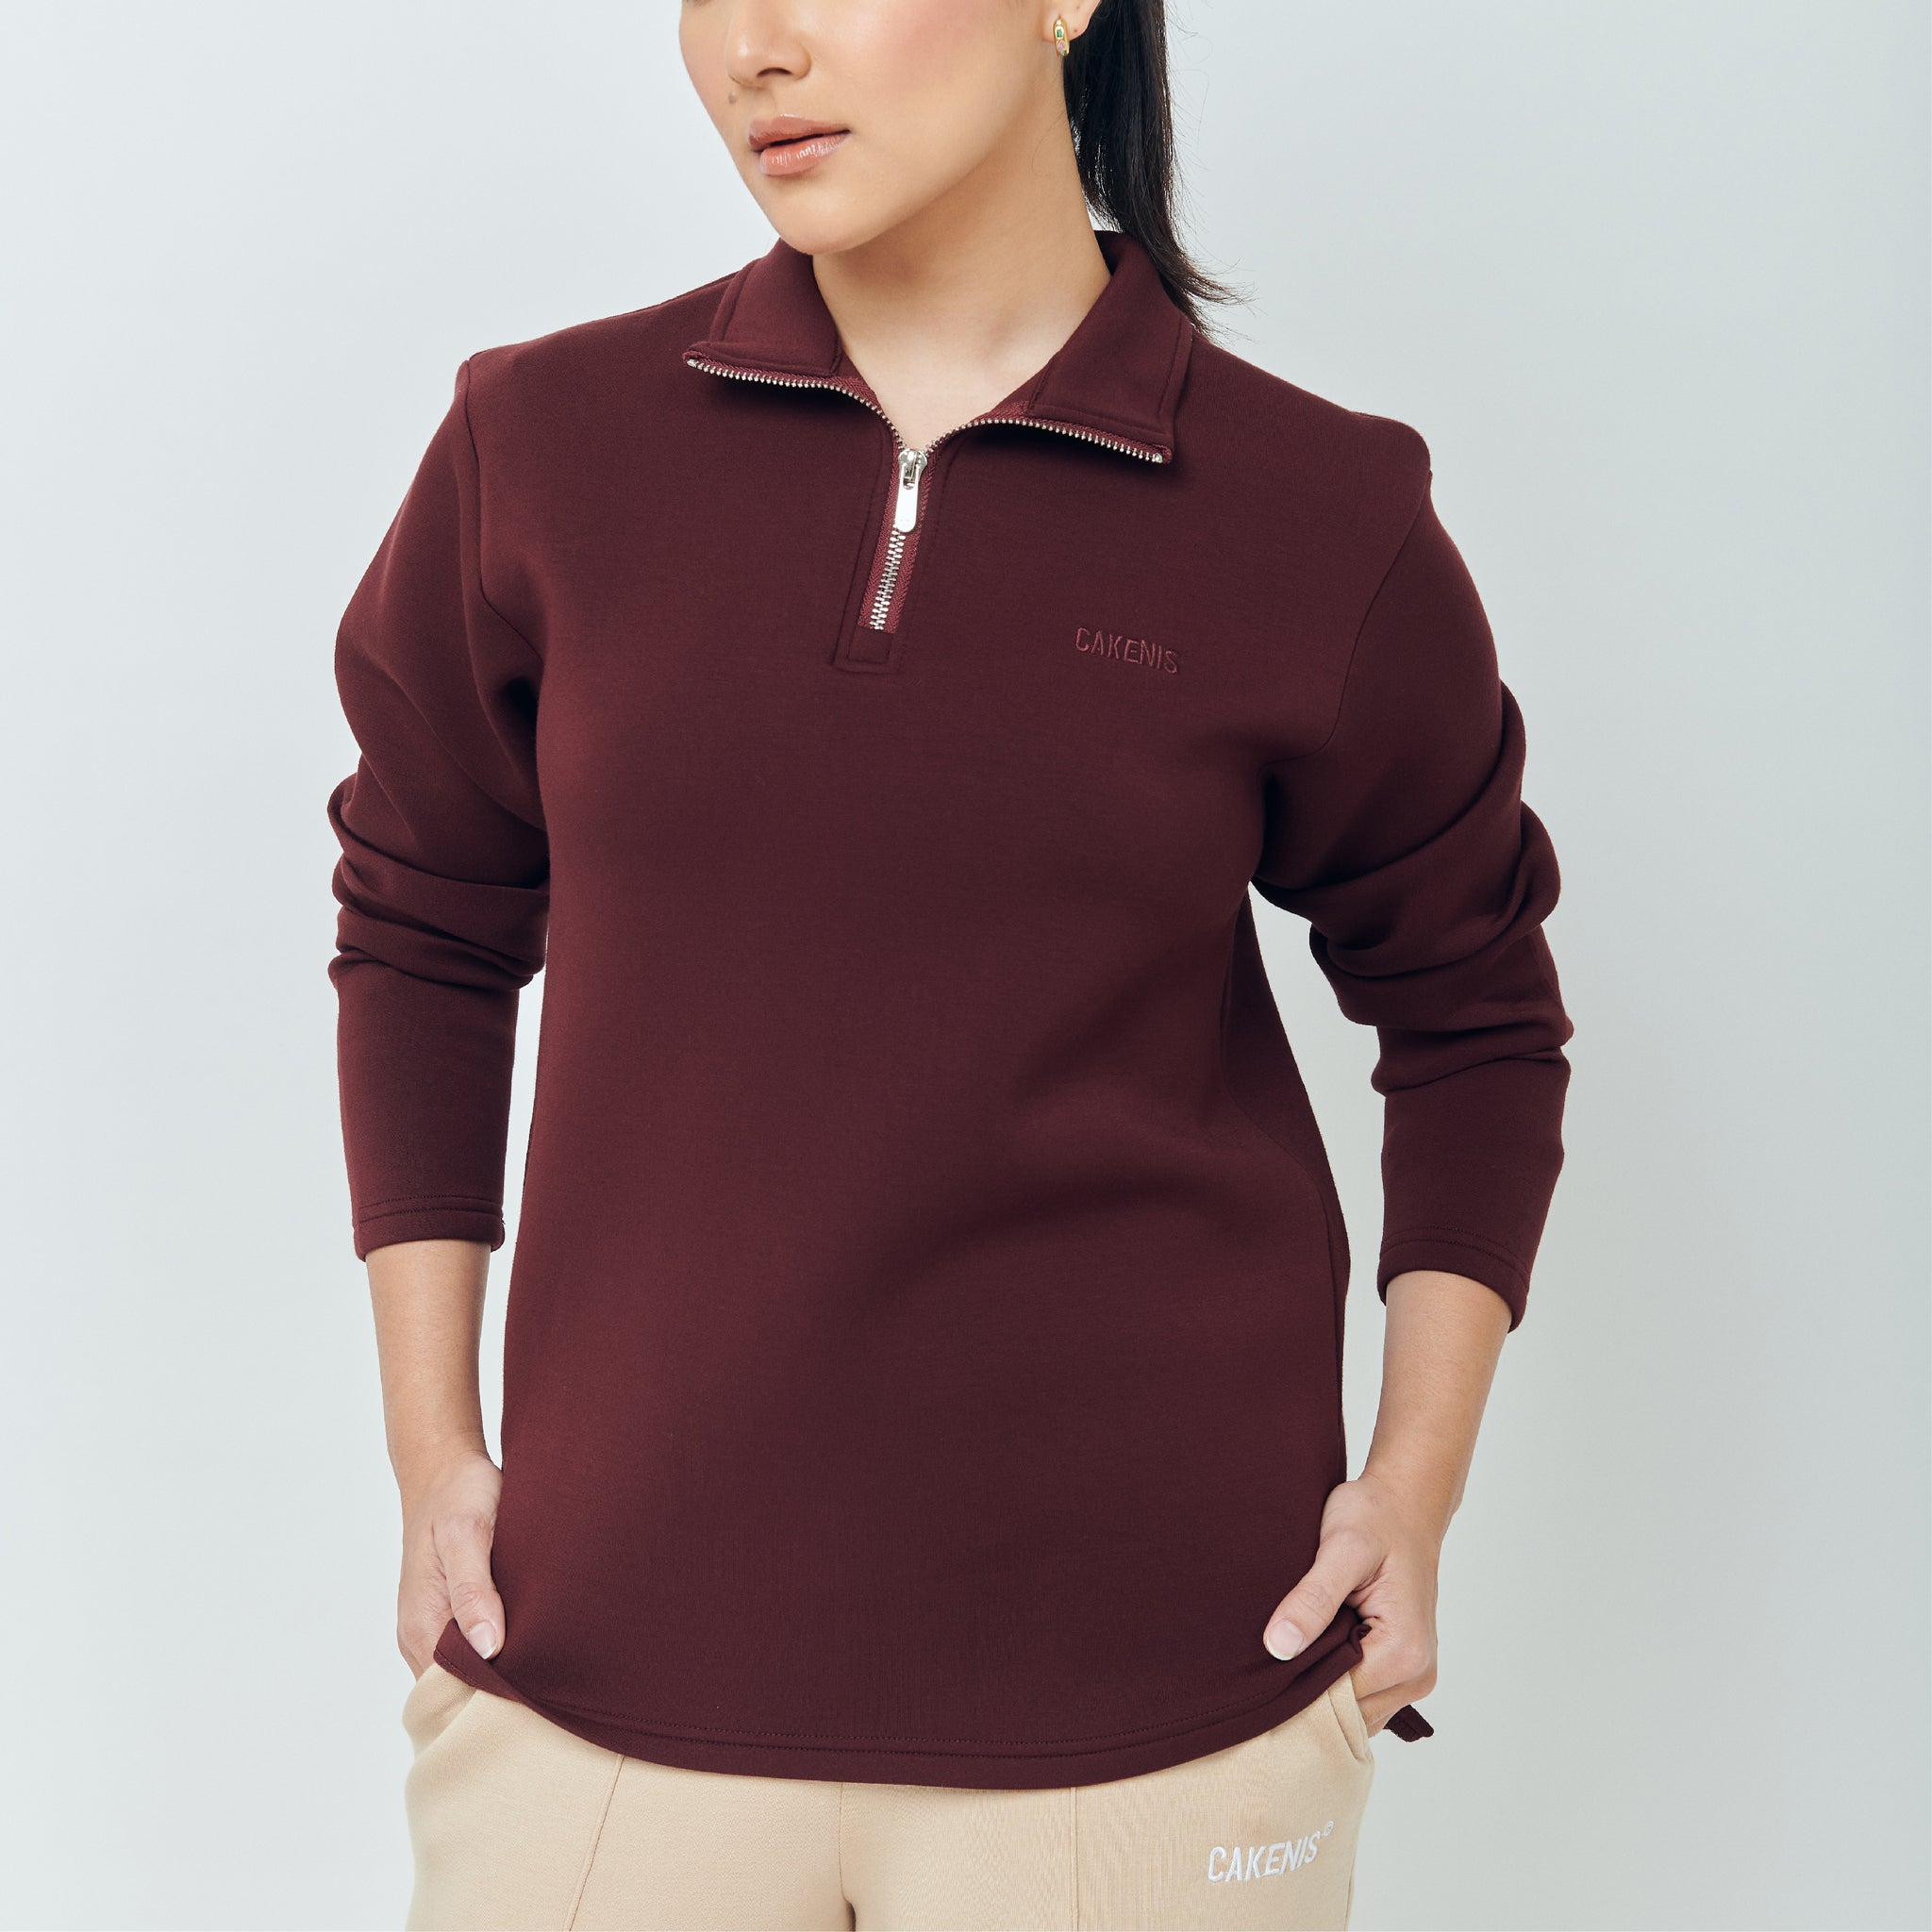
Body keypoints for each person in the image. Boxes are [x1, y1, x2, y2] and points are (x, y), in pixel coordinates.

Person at [325, 3, 1574, 1926]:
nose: (756, 47)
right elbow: (423, 920)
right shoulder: (543, 446)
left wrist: (1412, 1491)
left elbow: (1473, 1007)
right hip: (593, 1679)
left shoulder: (1318, 513)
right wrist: (435, 1453)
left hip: (1161, 1703)